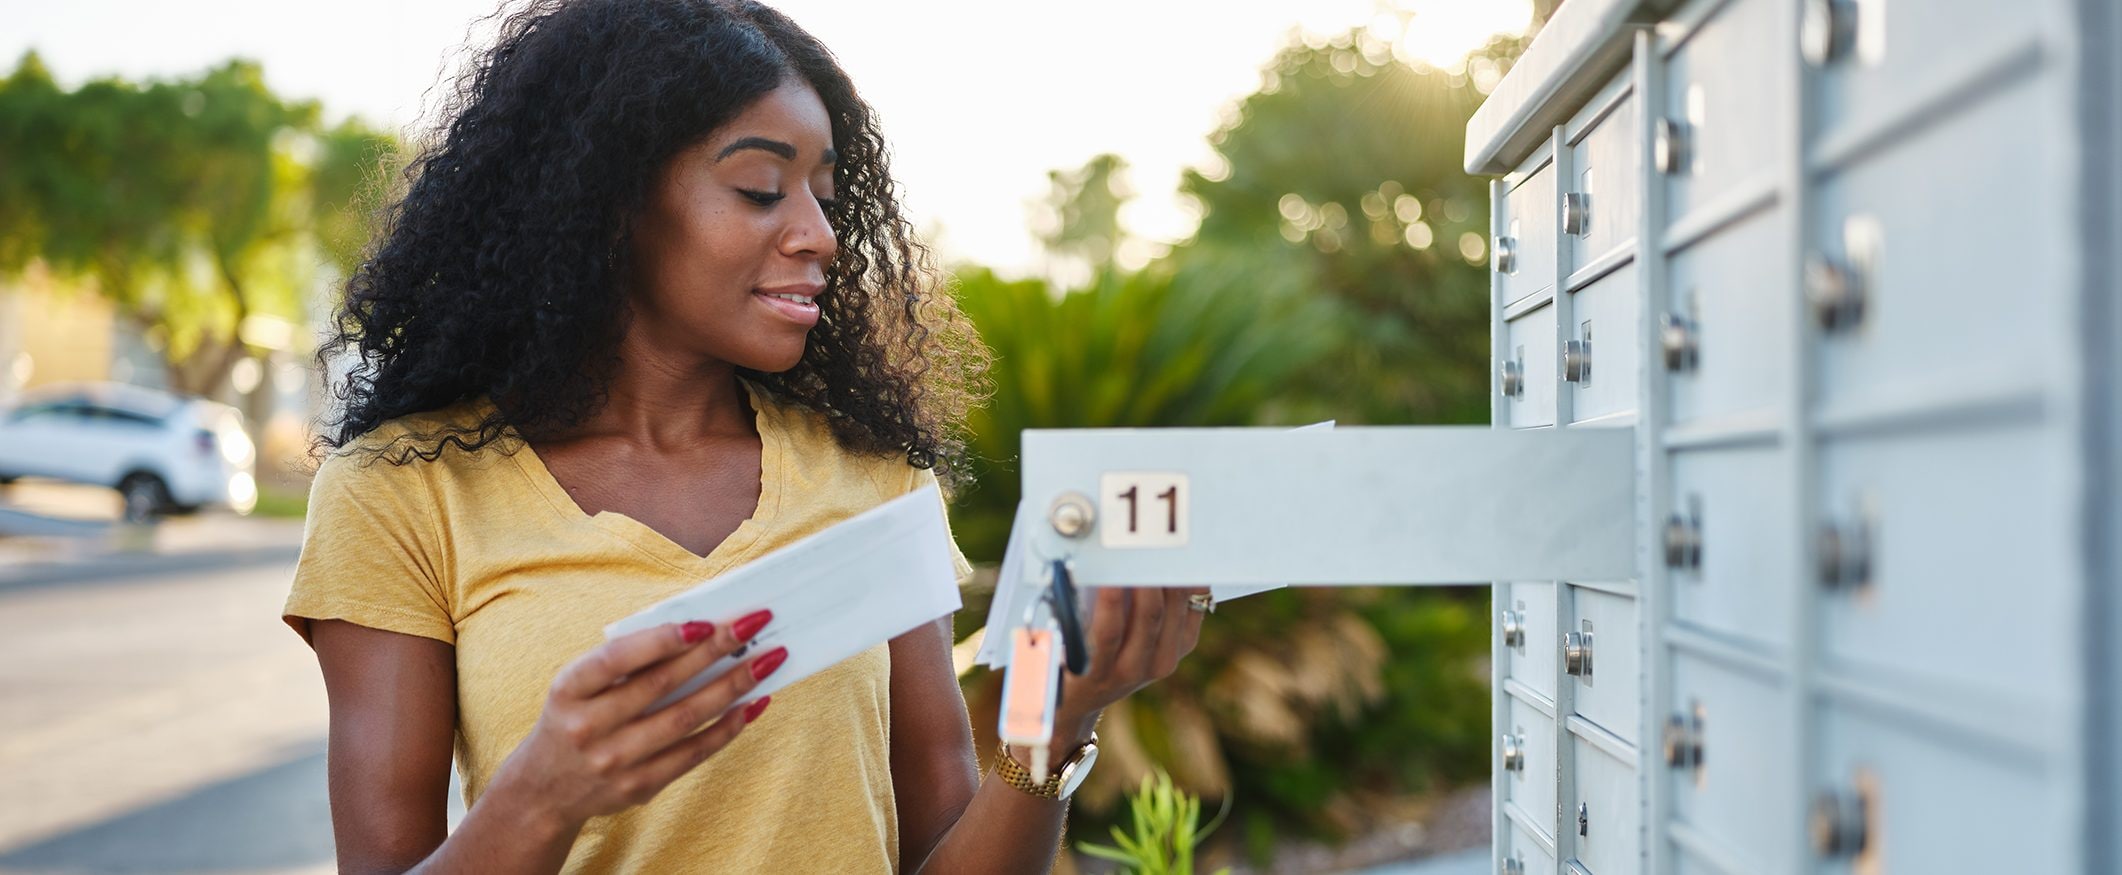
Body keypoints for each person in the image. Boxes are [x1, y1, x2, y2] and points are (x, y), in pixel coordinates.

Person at [281, 1, 1210, 871]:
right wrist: (544, 792)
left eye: (828, 195)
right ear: (608, 204)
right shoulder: (402, 491)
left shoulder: (873, 474)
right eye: (763, 188)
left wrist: (1050, 727)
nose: (820, 234)